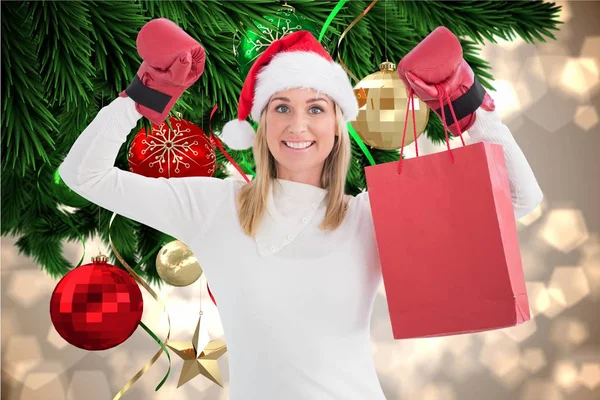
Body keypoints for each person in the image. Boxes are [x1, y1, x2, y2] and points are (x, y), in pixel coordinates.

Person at [59, 21, 543, 400]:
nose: (298, 124)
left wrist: (466, 101)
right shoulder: (213, 204)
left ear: (337, 125)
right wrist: (141, 97)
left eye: (316, 108)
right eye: (281, 107)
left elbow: (519, 199)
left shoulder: (373, 215)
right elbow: (84, 175)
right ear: (261, 124)